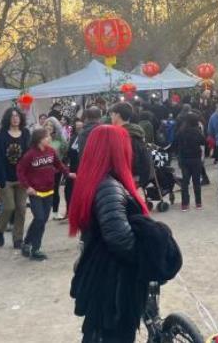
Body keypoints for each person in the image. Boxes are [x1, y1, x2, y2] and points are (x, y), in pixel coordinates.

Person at [69, 125, 151, 343]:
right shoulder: (109, 187)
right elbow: (119, 238)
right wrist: (146, 257)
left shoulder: (97, 181)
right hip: (115, 280)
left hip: (103, 273)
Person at [17, 128, 76, 260]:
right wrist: (27, 187)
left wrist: (68, 174)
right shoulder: (30, 155)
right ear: (39, 139)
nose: (49, 138)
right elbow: (20, 171)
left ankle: (27, 242)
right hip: (35, 192)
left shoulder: (51, 151)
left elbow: (59, 164)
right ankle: (35, 249)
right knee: (39, 218)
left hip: (49, 191)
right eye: (47, 136)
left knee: (42, 220)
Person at [0, 107, 31, 249]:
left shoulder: (26, 133)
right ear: (8, 118)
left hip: (22, 178)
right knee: (9, 207)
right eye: (12, 116)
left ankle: (18, 238)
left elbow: (30, 155)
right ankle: (0, 229)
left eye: (17, 115)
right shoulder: (0, 135)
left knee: (21, 208)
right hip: (5, 178)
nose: (15, 118)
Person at [109, 102, 152, 187]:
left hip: (120, 182)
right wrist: (141, 184)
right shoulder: (137, 133)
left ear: (117, 115)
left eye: (112, 114)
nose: (111, 117)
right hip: (135, 181)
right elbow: (146, 162)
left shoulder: (116, 135)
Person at [173, 113, 205, 211]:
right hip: (196, 159)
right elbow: (203, 142)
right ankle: (198, 203)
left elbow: (175, 143)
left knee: (185, 182)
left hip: (184, 159)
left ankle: (185, 204)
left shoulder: (181, 131)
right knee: (196, 181)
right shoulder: (197, 131)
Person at [44, 117, 69, 221]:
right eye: (47, 125)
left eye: (51, 125)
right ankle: (44, 212)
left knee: (54, 190)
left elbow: (63, 152)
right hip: (42, 169)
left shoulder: (59, 139)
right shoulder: (40, 137)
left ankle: (55, 212)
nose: (48, 127)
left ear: (55, 127)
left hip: (55, 169)